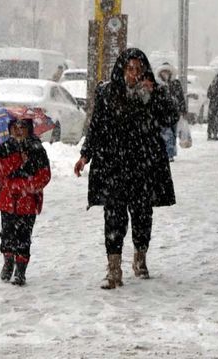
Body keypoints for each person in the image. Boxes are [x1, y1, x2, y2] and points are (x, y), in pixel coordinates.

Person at [74, 48, 177, 289]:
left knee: (142, 215)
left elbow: (170, 118)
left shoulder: (154, 92)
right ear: (122, 69)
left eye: (138, 69)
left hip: (144, 165)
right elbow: (97, 125)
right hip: (114, 165)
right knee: (114, 217)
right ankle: (113, 269)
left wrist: (156, 96)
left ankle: (140, 258)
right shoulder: (107, 92)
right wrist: (85, 155)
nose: (134, 74)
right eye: (130, 69)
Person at [0, 118, 51, 286]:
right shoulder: (4, 148)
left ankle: (20, 270)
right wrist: (16, 160)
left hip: (27, 201)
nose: (18, 130)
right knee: (7, 235)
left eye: (22, 127)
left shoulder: (37, 149)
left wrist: (25, 187)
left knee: (23, 237)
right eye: (15, 127)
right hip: (7, 200)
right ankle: (8, 263)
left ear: (29, 129)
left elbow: (44, 175)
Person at [156, 62, 187, 161]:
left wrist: (183, 110)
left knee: (173, 134)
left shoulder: (175, 83)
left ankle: (171, 153)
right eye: (163, 72)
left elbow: (180, 97)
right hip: (162, 114)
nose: (165, 74)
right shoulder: (158, 84)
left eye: (167, 71)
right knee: (167, 134)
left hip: (174, 114)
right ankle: (168, 154)